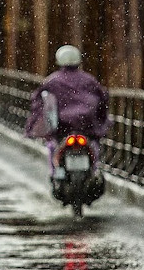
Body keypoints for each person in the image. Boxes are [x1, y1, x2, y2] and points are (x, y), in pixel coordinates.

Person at [25, 45, 112, 175]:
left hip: (62, 126)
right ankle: (94, 170)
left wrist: (31, 127)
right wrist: (102, 122)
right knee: (94, 145)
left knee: (52, 145)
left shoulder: (52, 81)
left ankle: (54, 172)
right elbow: (103, 99)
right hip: (86, 125)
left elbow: (38, 103)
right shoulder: (89, 80)